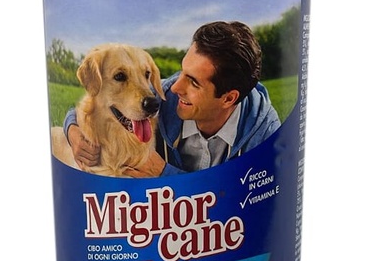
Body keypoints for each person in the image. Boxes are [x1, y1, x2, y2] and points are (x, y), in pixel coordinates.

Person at [63, 21, 281, 176]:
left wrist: (163, 173)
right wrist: (73, 132)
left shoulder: (266, 134)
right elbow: (95, 104)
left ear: (228, 99)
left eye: (193, 82)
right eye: (183, 71)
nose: (176, 87)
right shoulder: (166, 96)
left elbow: (242, 200)